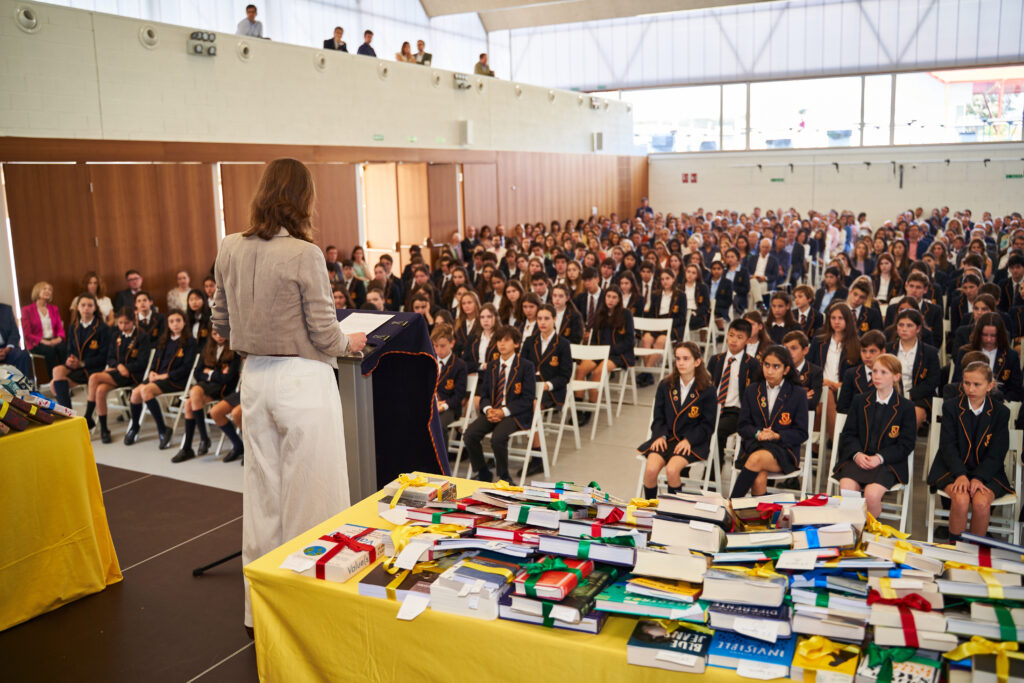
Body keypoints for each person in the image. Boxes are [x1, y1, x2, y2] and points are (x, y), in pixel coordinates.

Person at [211, 158, 367, 634]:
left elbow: (219, 323)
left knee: (263, 499)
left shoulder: (230, 246)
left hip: (253, 380)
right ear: (302, 198)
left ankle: (259, 613)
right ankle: (310, 614)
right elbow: (325, 333)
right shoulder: (304, 253)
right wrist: (350, 343)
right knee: (313, 497)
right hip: (302, 380)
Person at [927, 361, 1013, 536]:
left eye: (977, 384)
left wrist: (980, 477)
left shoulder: (1000, 412)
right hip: (952, 468)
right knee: (961, 498)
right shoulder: (951, 407)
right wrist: (960, 474)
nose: (971, 389)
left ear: (989, 386)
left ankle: (974, 556)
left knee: (981, 503)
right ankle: (955, 551)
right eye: (967, 383)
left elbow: (998, 452)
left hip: (988, 470)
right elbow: (947, 446)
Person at [832, 354, 916, 517]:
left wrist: (880, 457)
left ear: (896, 377)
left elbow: (906, 444)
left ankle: (869, 533)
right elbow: (849, 434)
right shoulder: (860, 401)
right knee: (847, 489)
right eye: (875, 371)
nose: (877, 376)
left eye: (883, 372)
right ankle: (853, 533)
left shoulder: (906, 407)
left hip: (887, 463)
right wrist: (856, 454)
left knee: (871, 495)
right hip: (859, 458)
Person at [637, 342, 716, 498]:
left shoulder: (708, 389)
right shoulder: (665, 385)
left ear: (697, 362)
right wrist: (659, 435)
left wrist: (689, 440)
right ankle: (650, 508)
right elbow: (658, 416)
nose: (681, 362)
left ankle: (674, 512)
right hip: (667, 438)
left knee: (672, 470)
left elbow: (707, 425)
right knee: (650, 470)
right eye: (678, 358)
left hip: (693, 442)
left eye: (686, 358)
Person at [731, 345, 809, 498]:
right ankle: (757, 521)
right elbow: (742, 426)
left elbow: (801, 433)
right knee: (759, 479)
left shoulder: (798, 393)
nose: (770, 370)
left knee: (757, 459)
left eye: (776, 366)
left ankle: (731, 504)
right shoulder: (752, 390)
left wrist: (776, 435)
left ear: (786, 369)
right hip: (754, 445)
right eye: (766, 365)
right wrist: (758, 434)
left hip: (783, 450)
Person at [464, 325, 535, 482]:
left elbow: (528, 399)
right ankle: (483, 471)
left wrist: (505, 411)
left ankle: (504, 476)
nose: (502, 344)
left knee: (497, 438)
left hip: (514, 414)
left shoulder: (526, 366)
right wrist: (488, 409)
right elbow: (484, 395)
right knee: (469, 435)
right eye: (499, 341)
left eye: (507, 340)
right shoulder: (492, 366)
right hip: (493, 411)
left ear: (516, 344)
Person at [123, 309, 195, 448]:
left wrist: (166, 375)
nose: (175, 324)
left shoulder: (190, 342)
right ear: (167, 324)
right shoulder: (164, 340)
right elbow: (156, 360)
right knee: (135, 393)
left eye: (178, 320)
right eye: (171, 321)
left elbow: (187, 367)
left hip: (175, 380)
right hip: (158, 377)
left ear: (184, 322)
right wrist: (151, 372)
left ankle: (163, 430)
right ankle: (135, 426)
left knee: (146, 391)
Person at [172, 331, 241, 463]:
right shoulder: (207, 347)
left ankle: (203, 438)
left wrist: (209, 372)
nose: (219, 336)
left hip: (223, 389)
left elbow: (228, 378)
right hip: (209, 387)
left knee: (195, 391)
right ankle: (188, 447)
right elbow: (197, 373)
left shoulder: (234, 349)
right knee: (189, 403)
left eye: (221, 333)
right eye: (215, 334)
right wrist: (215, 374)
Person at [85, 308, 150, 443]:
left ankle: (88, 416)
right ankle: (104, 429)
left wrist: (124, 368)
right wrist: (118, 366)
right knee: (100, 390)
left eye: (126, 323)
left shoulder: (142, 336)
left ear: (134, 321)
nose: (123, 326)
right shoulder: (116, 335)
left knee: (94, 377)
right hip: (119, 372)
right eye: (120, 323)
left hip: (133, 375)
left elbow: (142, 362)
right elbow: (110, 358)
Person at [575, 286, 635, 426]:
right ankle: (577, 409)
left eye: (614, 297)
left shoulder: (626, 314)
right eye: (608, 297)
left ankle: (590, 409)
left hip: (618, 354)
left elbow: (629, 341)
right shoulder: (599, 313)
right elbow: (595, 338)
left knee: (598, 372)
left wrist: (608, 351)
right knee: (580, 369)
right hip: (599, 351)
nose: (611, 300)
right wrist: (597, 351)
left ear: (619, 299)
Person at [708, 318, 761, 467]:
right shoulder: (715, 360)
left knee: (717, 432)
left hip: (736, 412)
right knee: (688, 424)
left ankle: (712, 479)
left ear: (748, 341)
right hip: (714, 409)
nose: (733, 340)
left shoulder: (752, 364)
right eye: (731, 335)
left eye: (739, 337)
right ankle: (683, 472)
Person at [50, 293, 108, 408]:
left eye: (90, 305)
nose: (86, 308)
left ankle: (67, 415)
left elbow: (104, 357)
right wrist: (69, 360)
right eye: (83, 305)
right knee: (57, 371)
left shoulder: (102, 328)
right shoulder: (73, 327)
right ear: (78, 307)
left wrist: (82, 363)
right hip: (76, 367)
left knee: (54, 384)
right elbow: (69, 350)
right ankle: (68, 415)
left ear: (95, 308)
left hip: (92, 368)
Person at [887, 309, 941, 430]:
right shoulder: (888, 348)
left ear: (918, 329)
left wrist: (910, 395)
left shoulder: (930, 352)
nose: (904, 329)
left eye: (909, 325)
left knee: (912, 416)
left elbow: (933, 381)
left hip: (919, 397)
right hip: (890, 393)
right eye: (901, 325)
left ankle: (903, 447)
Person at [432, 323, 467, 447]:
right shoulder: (430, 361)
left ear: (451, 344)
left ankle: (442, 462)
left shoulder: (459, 365)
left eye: (442, 346)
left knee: (438, 425)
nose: (438, 350)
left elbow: (459, 395)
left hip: (449, 407)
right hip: (431, 404)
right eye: (435, 346)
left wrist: (444, 405)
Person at [837, 330, 886, 414]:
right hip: (855, 421)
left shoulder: (890, 374)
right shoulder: (851, 374)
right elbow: (842, 407)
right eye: (864, 351)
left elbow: (896, 405)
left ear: (882, 352)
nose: (867, 356)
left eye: (872, 351)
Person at [22, 281, 66, 372]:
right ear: (37, 291)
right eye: (44, 289)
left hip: (53, 339)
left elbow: (60, 328)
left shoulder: (54, 309)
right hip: (37, 343)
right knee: (50, 351)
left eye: (50, 289)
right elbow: (27, 334)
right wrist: (45, 342)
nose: (48, 291)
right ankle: (54, 380)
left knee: (63, 347)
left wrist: (59, 339)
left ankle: (66, 376)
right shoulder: (27, 310)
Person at [783, 330, 822, 412]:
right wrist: (802, 396)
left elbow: (811, 404)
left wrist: (786, 398)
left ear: (805, 350)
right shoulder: (780, 369)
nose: (789, 353)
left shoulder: (815, 372)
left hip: (803, 419)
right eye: (786, 349)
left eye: (793, 348)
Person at [210, 388, 245, 463]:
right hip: (244, 390)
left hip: (259, 392)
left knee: (236, 413)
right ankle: (237, 445)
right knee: (215, 412)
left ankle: (248, 449)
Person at [0, 302, 32, 379]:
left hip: (7, 348)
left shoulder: (6, 309)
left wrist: (7, 349)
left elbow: (14, 333)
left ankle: (23, 389)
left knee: (22, 355)